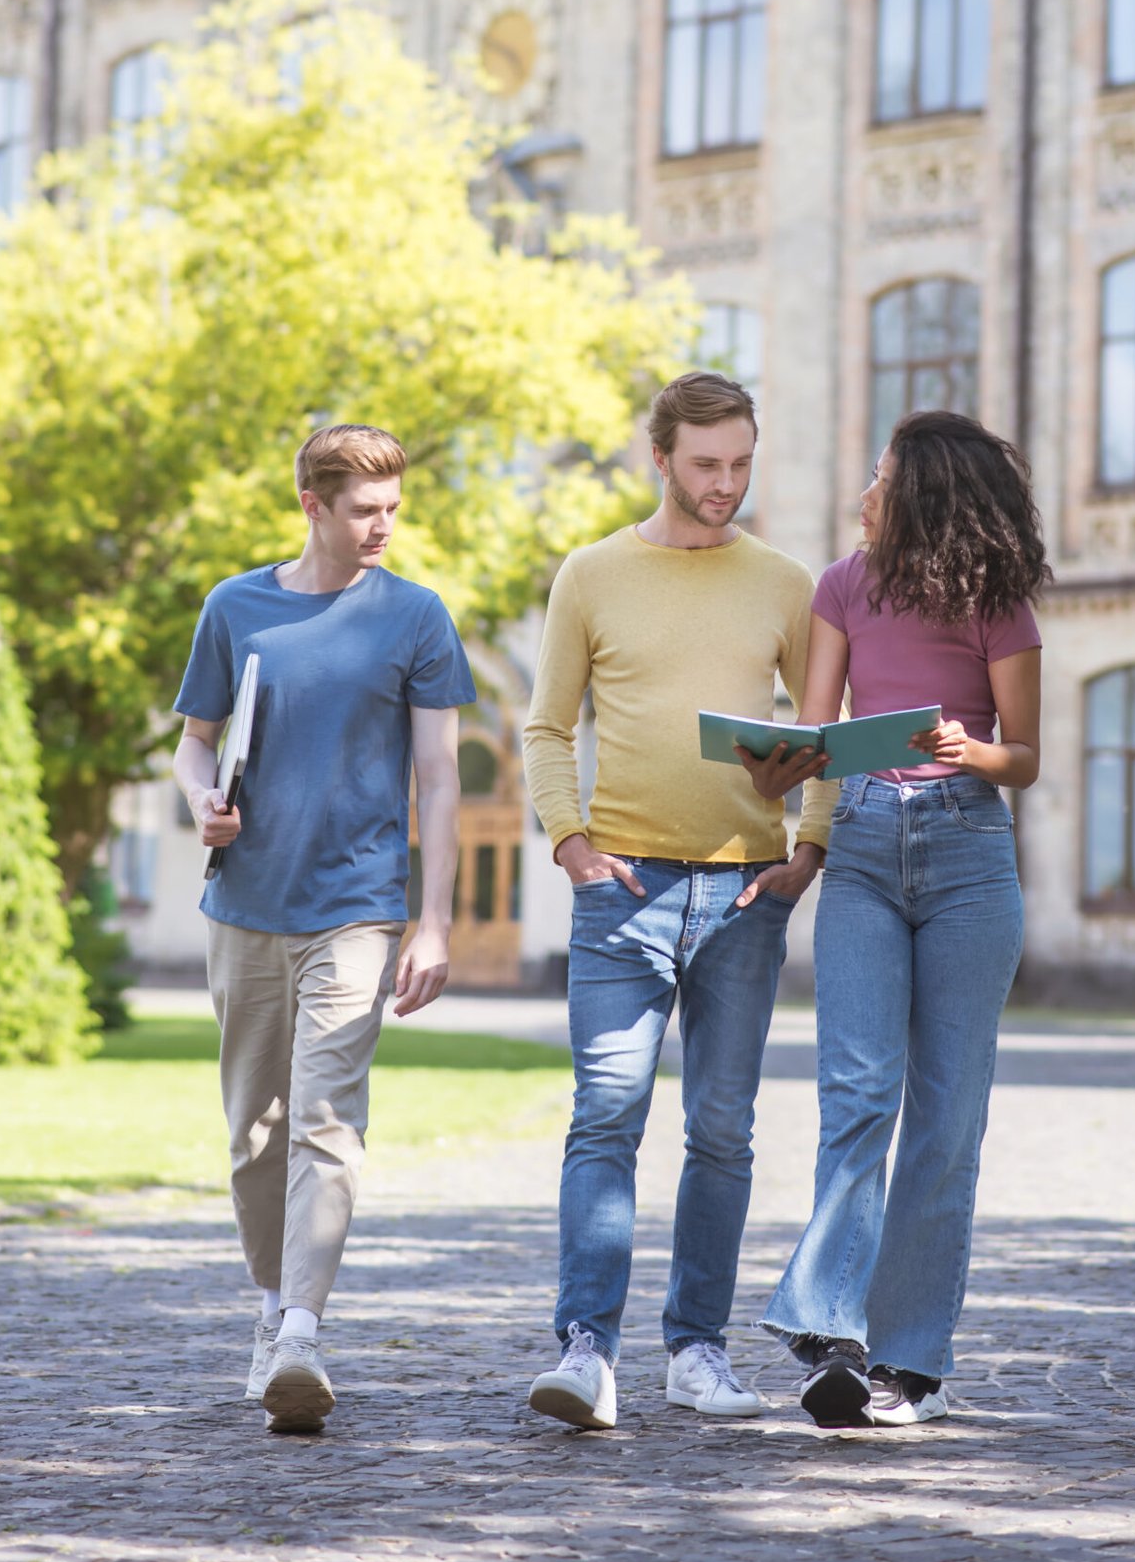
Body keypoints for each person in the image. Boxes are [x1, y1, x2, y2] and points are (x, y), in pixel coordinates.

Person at [521, 371, 838, 1431]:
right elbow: (545, 726)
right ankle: (585, 1352)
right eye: (706, 465)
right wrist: (567, 840)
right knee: (605, 1114)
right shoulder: (592, 574)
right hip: (623, 887)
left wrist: (810, 847)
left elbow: (828, 731)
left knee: (721, 1130)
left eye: (741, 464)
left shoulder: (785, 583)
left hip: (747, 891)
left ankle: (696, 1350)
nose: (724, 484)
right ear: (658, 457)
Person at [745, 409, 1047, 1429]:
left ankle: (910, 1363)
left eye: (878, 478)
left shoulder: (999, 606)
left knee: (946, 1120)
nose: (862, 494)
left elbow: (1027, 758)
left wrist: (968, 749)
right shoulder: (841, 586)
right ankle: (830, 1328)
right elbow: (824, 736)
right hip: (867, 847)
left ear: (920, 493)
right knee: (859, 1094)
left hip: (968, 853)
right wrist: (783, 771)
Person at [174, 422, 474, 1434]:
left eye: (393, 508)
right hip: (245, 905)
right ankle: (271, 1304)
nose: (383, 526)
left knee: (325, 1120)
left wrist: (433, 921)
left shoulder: (418, 618)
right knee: (253, 1133)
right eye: (363, 510)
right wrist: (199, 800)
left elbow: (439, 775)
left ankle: (302, 1327)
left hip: (357, 905)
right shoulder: (235, 607)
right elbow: (192, 746)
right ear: (313, 505)